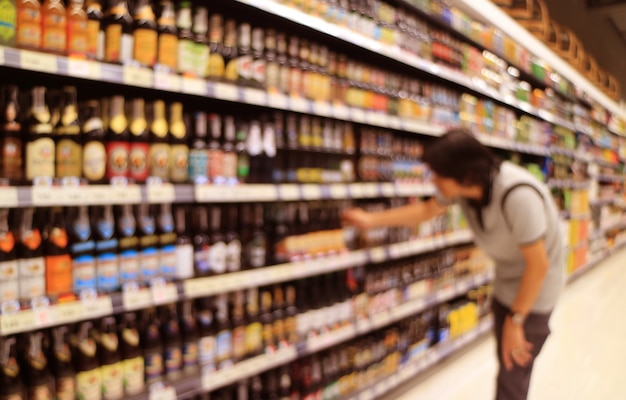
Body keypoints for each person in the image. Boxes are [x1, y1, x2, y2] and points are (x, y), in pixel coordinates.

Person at [342, 128, 564, 400]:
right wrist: (369, 220)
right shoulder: (466, 189)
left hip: (536, 292)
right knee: (507, 366)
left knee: (513, 370)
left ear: (465, 173)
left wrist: (516, 321)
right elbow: (426, 210)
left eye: (437, 174)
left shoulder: (518, 196)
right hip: (506, 282)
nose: (432, 180)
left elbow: (539, 265)